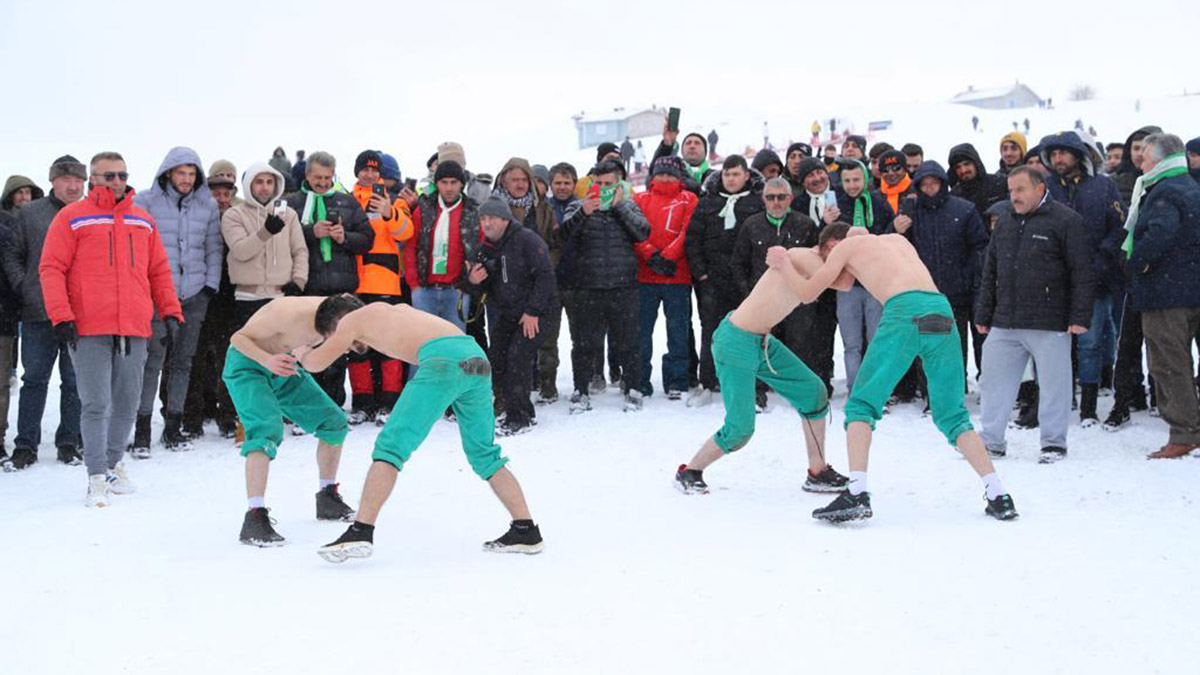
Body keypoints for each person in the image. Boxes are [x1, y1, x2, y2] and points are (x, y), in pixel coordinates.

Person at [773, 224, 1018, 522]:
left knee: (861, 406)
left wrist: (784, 264)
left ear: (837, 243)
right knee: (953, 415)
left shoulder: (847, 248)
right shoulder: (898, 241)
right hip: (940, 312)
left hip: (904, 312)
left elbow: (809, 292)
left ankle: (857, 491)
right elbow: (850, 281)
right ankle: (998, 494)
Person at [304, 302, 543, 562]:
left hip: (444, 361)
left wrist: (302, 351)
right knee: (484, 454)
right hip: (474, 358)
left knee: (390, 448)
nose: (344, 346)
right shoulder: (392, 310)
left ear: (336, 322)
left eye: (330, 338)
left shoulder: (351, 320)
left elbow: (315, 364)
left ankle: (361, 531)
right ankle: (525, 529)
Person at [40, 151, 184, 507]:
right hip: (88, 325)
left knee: (128, 401)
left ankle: (114, 463)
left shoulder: (142, 220)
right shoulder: (72, 218)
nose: (116, 182)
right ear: (93, 179)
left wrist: (170, 311)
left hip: (133, 324)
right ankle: (96, 476)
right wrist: (61, 316)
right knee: (95, 403)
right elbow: (51, 268)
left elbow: (159, 271)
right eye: (108, 176)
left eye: (121, 175)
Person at [674, 238, 848, 497]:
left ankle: (818, 471)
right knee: (740, 430)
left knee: (813, 391)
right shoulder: (805, 255)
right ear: (832, 245)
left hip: (762, 341)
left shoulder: (813, 263)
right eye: (845, 250)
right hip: (735, 342)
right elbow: (843, 283)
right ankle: (689, 471)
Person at [975, 167, 1094, 464]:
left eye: (1020, 190)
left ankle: (1053, 443)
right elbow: (991, 271)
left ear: (1040, 189)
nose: (1014, 196)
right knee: (993, 381)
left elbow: (1081, 271)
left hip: (1049, 320)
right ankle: (991, 441)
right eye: (1011, 191)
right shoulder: (1004, 223)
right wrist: (984, 312)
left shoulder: (1066, 221)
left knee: (1055, 384)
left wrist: (1079, 315)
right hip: (1005, 320)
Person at [223, 295, 359, 545]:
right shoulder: (286, 311)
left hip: (284, 366)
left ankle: (327, 498)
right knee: (266, 431)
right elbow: (238, 338)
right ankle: (254, 517)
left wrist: (300, 353)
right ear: (334, 324)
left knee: (334, 422)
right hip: (248, 364)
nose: (346, 348)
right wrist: (267, 359)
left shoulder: (342, 314)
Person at [132, 147, 224, 455]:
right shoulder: (145, 201)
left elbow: (213, 247)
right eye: (181, 173)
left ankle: (174, 425)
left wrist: (210, 284)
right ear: (168, 173)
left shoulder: (207, 205)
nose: (186, 179)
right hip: (158, 294)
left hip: (194, 293)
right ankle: (142, 428)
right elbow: (136, 245)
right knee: (152, 362)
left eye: (192, 174)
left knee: (184, 361)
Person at [1, 156, 85, 470]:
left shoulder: (88, 213)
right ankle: (26, 445)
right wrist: (25, 285)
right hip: (39, 311)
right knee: (34, 379)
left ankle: (68, 441)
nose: (73, 185)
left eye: (79, 180)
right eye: (66, 179)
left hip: (80, 312)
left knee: (74, 381)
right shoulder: (30, 213)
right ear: (52, 181)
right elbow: (12, 254)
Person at [1041, 131, 1126, 427]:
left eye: (1063, 153)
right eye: (1052, 154)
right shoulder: (1046, 188)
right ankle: (1061, 402)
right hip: (1055, 280)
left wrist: (1101, 259)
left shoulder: (1103, 186)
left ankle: (1088, 408)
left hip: (1095, 279)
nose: (1057, 159)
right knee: (1055, 345)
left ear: (1078, 155)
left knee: (1090, 343)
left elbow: (1119, 228)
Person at [1125, 133, 1200, 459]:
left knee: (1169, 364)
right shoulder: (1190, 186)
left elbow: (1160, 234)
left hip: (1166, 294)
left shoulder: (1163, 192)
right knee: (1179, 361)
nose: (1139, 161)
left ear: (1158, 160)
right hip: (1189, 288)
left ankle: (1184, 434)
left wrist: (1136, 262)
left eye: (1144, 155)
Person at [560, 159, 650, 412]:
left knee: (629, 342)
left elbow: (643, 232)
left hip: (624, 285)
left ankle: (633, 388)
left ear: (618, 183)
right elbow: (564, 235)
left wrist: (619, 207)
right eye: (597, 183)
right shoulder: (578, 205)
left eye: (607, 184)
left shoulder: (629, 205)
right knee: (583, 343)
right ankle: (581, 390)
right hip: (588, 286)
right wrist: (583, 213)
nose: (602, 188)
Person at [285, 151, 373, 408]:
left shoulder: (347, 202)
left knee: (337, 351)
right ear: (307, 175)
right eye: (318, 178)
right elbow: (283, 240)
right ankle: (307, 407)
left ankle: (333, 405)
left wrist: (344, 237)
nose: (323, 183)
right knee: (306, 350)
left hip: (341, 289)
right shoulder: (293, 202)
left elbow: (367, 240)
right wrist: (311, 232)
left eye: (328, 177)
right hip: (306, 289)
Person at [464, 196, 558, 435]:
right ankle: (514, 408)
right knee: (497, 358)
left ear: (505, 219)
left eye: (492, 218)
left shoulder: (527, 239)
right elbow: (483, 289)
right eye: (483, 218)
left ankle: (519, 418)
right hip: (509, 313)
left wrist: (533, 311)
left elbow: (545, 276)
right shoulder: (486, 249)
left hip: (537, 312)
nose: (487, 223)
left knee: (517, 359)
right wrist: (473, 281)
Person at [890, 161, 989, 382]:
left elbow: (980, 247)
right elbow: (894, 246)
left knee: (958, 345)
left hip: (959, 292)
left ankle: (957, 389)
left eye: (934, 183)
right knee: (931, 346)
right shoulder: (911, 211)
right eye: (924, 185)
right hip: (926, 293)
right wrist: (896, 229)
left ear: (943, 183)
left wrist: (970, 278)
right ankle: (932, 396)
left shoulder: (964, 209)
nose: (929, 189)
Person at [730, 177, 824, 403]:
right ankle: (757, 390)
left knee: (799, 344)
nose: (776, 202)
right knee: (759, 345)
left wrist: (810, 293)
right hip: (763, 299)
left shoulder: (805, 224)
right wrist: (749, 294)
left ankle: (798, 392)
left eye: (781, 197)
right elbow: (738, 263)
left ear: (790, 198)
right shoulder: (751, 224)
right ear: (763, 199)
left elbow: (816, 262)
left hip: (796, 298)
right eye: (771, 197)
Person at [686, 155, 764, 406]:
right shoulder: (707, 202)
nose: (730, 179)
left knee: (750, 332)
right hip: (712, 281)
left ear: (746, 176)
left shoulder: (757, 202)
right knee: (712, 332)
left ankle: (753, 386)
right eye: (727, 174)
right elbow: (693, 240)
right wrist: (702, 274)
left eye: (735, 174)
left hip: (746, 281)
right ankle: (708, 382)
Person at [347, 150, 415, 425]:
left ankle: (389, 402)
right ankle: (362, 403)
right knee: (358, 345)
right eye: (365, 169)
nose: (370, 174)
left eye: (375, 170)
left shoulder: (395, 201)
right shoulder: (347, 200)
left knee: (388, 345)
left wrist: (389, 212)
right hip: (355, 282)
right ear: (357, 172)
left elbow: (406, 232)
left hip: (386, 281)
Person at [181, 160, 241, 439]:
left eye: (226, 193)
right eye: (215, 193)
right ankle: (191, 417)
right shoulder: (195, 219)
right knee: (193, 358)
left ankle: (227, 415)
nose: (220, 199)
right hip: (199, 293)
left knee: (228, 358)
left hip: (230, 296)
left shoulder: (238, 219)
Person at [632, 156, 697, 400]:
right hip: (644, 276)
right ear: (653, 176)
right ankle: (639, 380)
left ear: (679, 177)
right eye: (661, 173)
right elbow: (634, 230)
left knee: (678, 332)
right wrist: (650, 254)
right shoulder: (640, 199)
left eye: (670, 174)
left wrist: (669, 257)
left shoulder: (689, 198)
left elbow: (687, 230)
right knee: (640, 333)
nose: (665, 178)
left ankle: (677, 380)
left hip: (677, 276)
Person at [829, 161, 896, 394]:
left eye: (856, 180)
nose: (852, 185)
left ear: (865, 179)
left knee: (877, 341)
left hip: (874, 283)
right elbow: (822, 243)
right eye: (847, 180)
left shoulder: (878, 203)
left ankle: (877, 391)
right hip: (846, 285)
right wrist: (826, 223)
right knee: (852, 344)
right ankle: (855, 390)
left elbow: (889, 238)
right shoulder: (834, 203)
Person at [403, 160, 480, 333]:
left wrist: (468, 284)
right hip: (424, 290)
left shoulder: (473, 211)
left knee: (454, 346)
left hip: (457, 291)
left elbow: (480, 249)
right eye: (444, 182)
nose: (449, 188)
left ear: (462, 184)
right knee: (421, 345)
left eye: (454, 182)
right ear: (436, 184)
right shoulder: (423, 209)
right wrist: (414, 284)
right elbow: (411, 247)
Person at [537, 162, 579, 404]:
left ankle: (580, 384)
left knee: (580, 338)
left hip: (576, 281)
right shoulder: (543, 209)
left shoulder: (582, 207)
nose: (562, 187)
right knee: (547, 340)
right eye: (558, 183)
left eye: (567, 183)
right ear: (551, 185)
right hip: (550, 283)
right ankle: (547, 385)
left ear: (574, 184)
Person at [947, 143, 1009, 216]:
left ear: (976, 163)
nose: (963, 170)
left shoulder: (1000, 184)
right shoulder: (954, 197)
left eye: (967, 164)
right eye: (958, 167)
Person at [653, 126, 713, 196]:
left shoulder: (716, 177)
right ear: (682, 151)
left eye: (697, 143)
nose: (692, 146)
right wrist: (667, 145)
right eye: (688, 143)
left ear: (705, 151)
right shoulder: (672, 175)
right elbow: (655, 174)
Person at [878, 150, 914, 214]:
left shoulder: (917, 190)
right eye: (885, 170)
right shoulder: (874, 197)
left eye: (896, 168)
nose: (891, 173)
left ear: (905, 169)